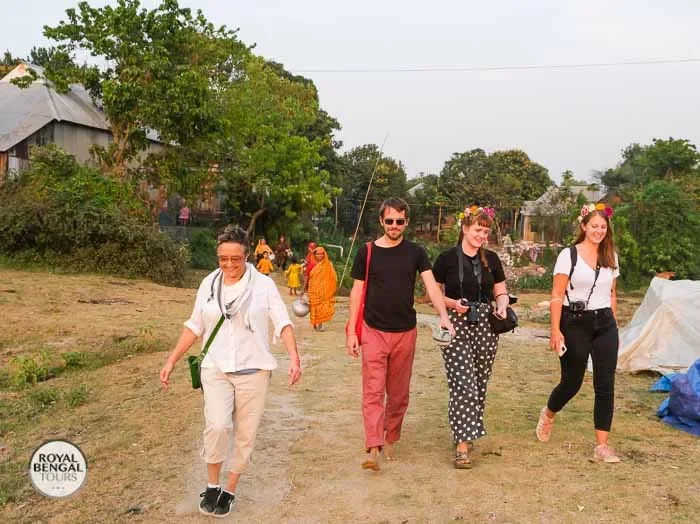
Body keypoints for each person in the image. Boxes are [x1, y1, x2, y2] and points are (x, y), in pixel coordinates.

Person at [159, 225, 302, 517]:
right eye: (223, 258)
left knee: (245, 435)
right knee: (218, 426)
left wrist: (294, 357)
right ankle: (212, 484)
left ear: (247, 256)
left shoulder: (263, 285)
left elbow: (283, 322)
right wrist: (171, 359)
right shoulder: (209, 283)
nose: (229, 265)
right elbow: (195, 325)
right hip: (215, 367)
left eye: (235, 259)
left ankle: (230, 488)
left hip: (254, 371)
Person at [345, 197, 455, 471]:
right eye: (390, 221)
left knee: (398, 394)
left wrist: (444, 316)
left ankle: (390, 437)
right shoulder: (367, 252)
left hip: (405, 332)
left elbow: (431, 287)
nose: (395, 226)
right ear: (381, 221)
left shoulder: (416, 253)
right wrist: (351, 329)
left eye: (400, 221)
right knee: (372, 391)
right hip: (373, 330)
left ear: (406, 222)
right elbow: (357, 291)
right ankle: (373, 447)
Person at [535, 203, 621, 463]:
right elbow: (556, 296)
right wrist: (555, 331)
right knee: (572, 381)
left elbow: (612, 293)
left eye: (603, 227)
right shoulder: (568, 255)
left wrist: (612, 323)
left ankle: (602, 445)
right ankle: (549, 413)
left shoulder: (611, 256)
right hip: (574, 321)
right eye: (594, 226)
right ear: (584, 226)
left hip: (605, 322)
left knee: (605, 383)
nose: (598, 231)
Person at [432, 205, 509, 469]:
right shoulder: (446, 259)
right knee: (463, 382)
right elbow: (433, 295)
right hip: (456, 323)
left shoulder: (492, 259)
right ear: (465, 229)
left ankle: (468, 429)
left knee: (479, 382)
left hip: (486, 324)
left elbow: (501, 291)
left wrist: (501, 305)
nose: (481, 236)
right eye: (477, 230)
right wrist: (453, 305)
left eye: (485, 232)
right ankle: (462, 445)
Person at [305, 246, 337, 331]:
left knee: (321, 306)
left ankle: (321, 323)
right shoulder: (311, 264)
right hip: (313, 289)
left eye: (322, 254)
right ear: (314, 254)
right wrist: (303, 289)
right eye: (318, 254)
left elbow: (332, 276)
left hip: (323, 289)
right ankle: (315, 322)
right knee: (314, 306)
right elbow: (307, 277)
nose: (320, 255)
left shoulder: (327, 264)